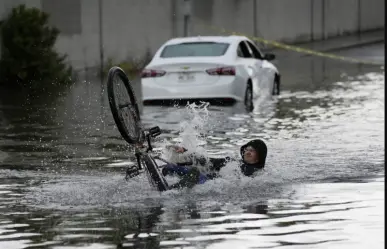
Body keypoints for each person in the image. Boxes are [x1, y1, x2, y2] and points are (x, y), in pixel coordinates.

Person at [161, 139, 268, 189]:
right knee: (170, 168)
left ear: (260, 156)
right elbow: (208, 161)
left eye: (252, 150)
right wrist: (186, 151)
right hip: (206, 177)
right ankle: (165, 180)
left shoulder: (257, 174)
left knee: (196, 175)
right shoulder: (232, 161)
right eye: (247, 149)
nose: (247, 152)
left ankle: (170, 190)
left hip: (209, 182)